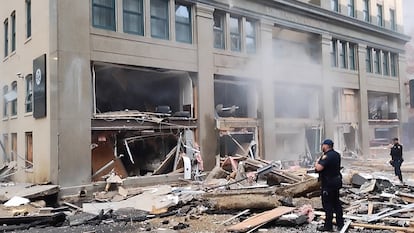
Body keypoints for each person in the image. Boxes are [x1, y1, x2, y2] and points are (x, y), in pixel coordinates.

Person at [315, 139, 344, 232]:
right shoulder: (336, 154)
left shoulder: (326, 156)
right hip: (336, 182)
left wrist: (316, 162)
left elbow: (319, 168)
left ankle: (328, 226)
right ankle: (340, 224)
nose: (321, 147)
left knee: (327, 205)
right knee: (336, 204)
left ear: (326, 146)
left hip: (328, 183)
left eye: (322, 145)